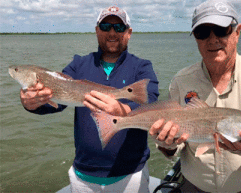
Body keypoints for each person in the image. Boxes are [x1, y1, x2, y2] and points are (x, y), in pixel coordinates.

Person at [149, 0, 241, 192]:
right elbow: (178, 145)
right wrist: (166, 145)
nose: (212, 39)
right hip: (192, 187)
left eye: (222, 30)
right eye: (203, 33)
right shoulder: (181, 81)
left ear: (237, 32)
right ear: (195, 37)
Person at [20, 6, 159, 193]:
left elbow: (151, 101)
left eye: (118, 27)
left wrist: (123, 110)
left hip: (131, 175)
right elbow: (57, 102)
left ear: (129, 32)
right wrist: (32, 103)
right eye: (105, 26)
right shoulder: (78, 64)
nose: (112, 32)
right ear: (96, 30)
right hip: (83, 178)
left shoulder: (141, 66)